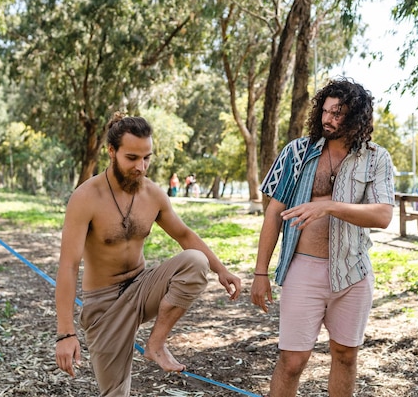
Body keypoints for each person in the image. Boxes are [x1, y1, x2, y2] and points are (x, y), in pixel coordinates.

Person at [55, 115, 242, 397]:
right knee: (115, 393)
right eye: (132, 158)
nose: (140, 167)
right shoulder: (86, 197)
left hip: (142, 287)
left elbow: (184, 235)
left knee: (195, 261)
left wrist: (222, 270)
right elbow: (68, 266)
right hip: (104, 305)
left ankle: (156, 344)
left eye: (146, 158)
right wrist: (66, 333)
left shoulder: (153, 194)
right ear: (111, 152)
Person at [251, 78, 395, 397]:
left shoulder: (375, 158)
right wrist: (260, 272)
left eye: (338, 113)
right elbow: (273, 214)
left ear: (356, 116)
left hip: (353, 271)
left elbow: (383, 215)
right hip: (304, 270)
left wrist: (330, 206)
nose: (328, 119)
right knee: (292, 360)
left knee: (345, 356)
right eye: (326, 111)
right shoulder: (297, 152)